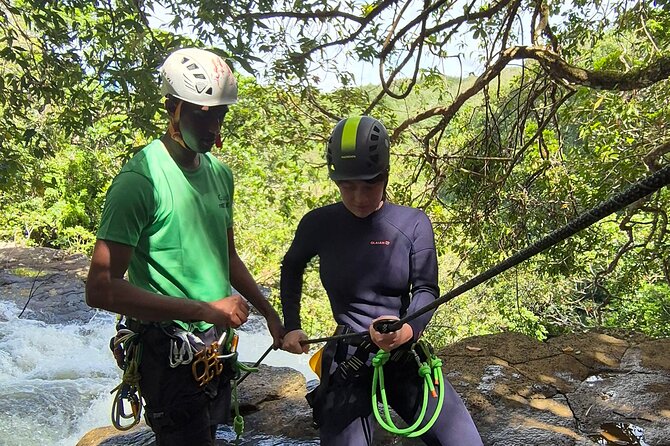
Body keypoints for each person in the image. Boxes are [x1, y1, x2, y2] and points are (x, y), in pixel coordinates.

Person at [85, 47, 284, 445]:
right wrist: (205, 309)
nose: (213, 126)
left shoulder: (219, 174)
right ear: (173, 108)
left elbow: (225, 256)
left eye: (220, 114)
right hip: (169, 356)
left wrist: (268, 313)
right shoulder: (141, 181)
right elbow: (101, 288)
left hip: (214, 349)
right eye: (202, 113)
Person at [280, 116, 482, 445]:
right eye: (348, 186)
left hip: (404, 355)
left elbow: (427, 289)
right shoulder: (319, 224)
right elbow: (292, 266)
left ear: (385, 176)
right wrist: (292, 325)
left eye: (369, 185)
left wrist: (408, 329)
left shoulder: (412, 223)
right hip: (350, 359)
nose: (359, 196)